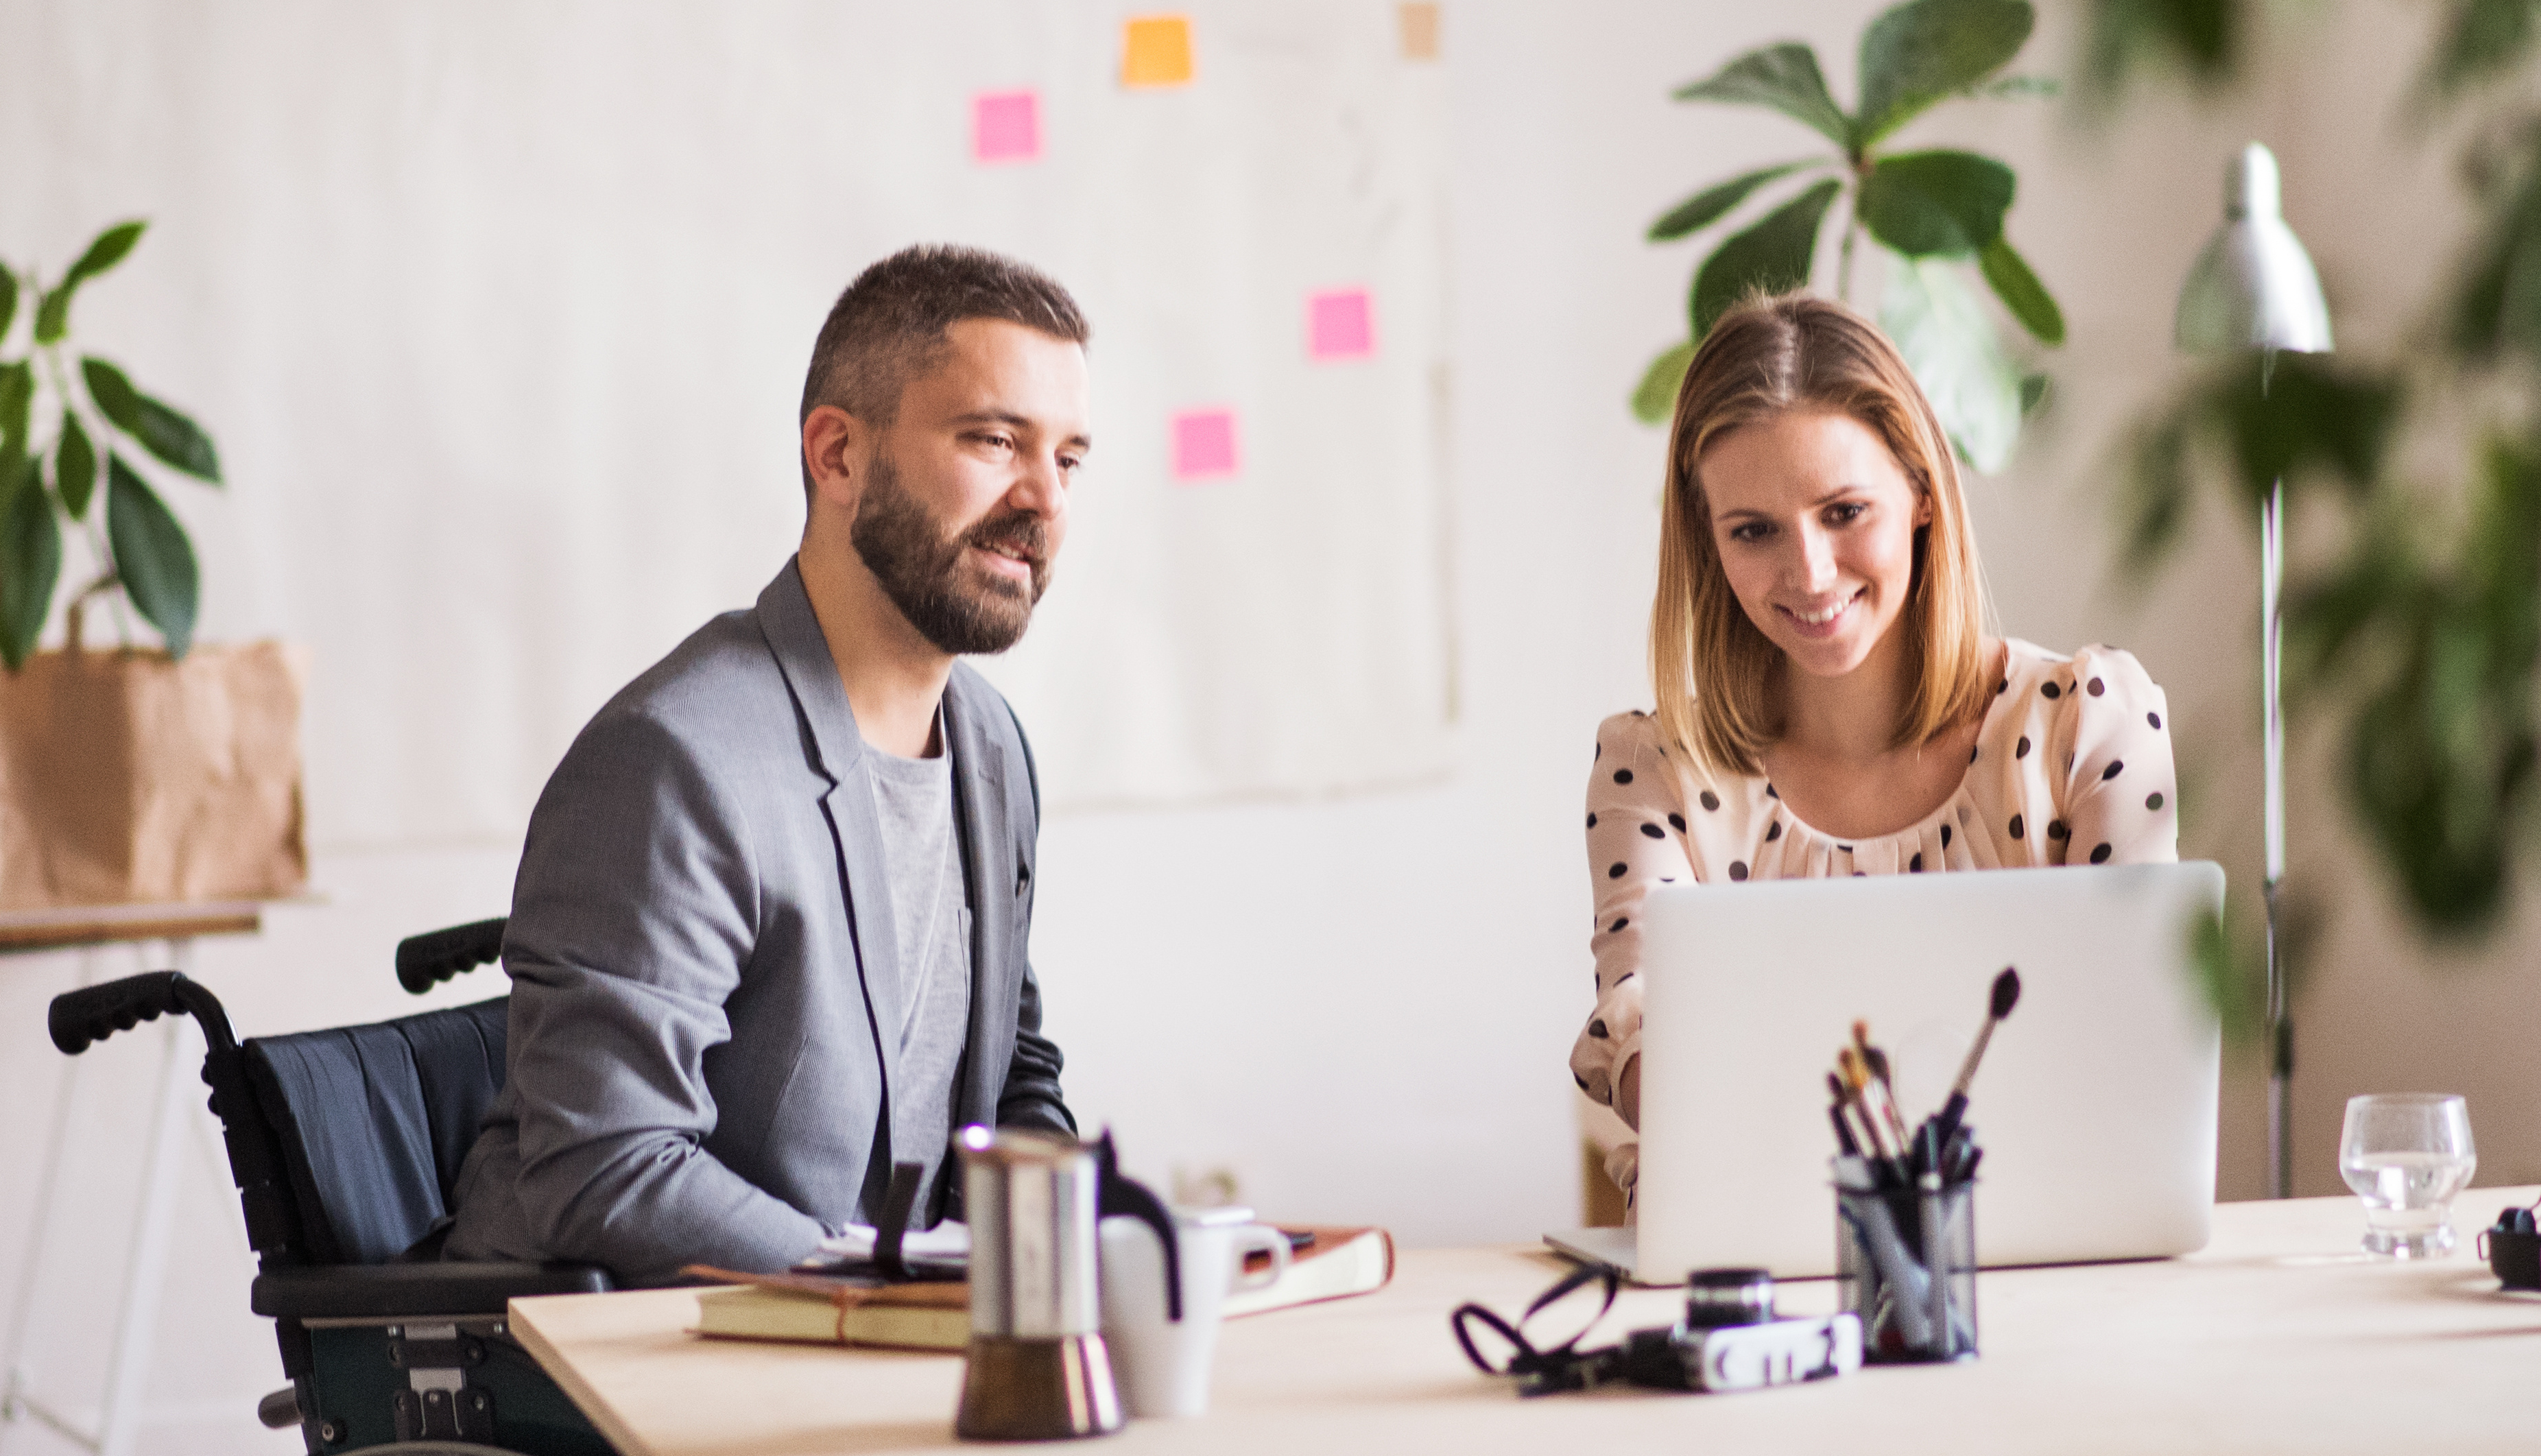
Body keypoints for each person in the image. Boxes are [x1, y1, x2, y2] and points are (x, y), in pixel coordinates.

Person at [447, 244, 1090, 1285]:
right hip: (644, 1369)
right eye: (993, 439)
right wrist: (894, 1298)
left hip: (879, 1355)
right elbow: (604, 1166)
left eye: (1067, 459)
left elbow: (1008, 1070)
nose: (1043, 499)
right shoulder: (674, 761)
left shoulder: (990, 748)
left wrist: (1071, 1255)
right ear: (836, 456)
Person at [1571, 293, 2178, 1210]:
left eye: (1844, 510)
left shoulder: (2085, 727)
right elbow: (1645, 1042)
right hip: (1753, 1287)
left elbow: (2138, 1051)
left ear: (1922, 494)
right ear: (1708, 541)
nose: (1809, 574)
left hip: (2048, 1269)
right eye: (1753, 531)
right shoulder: (1653, 770)